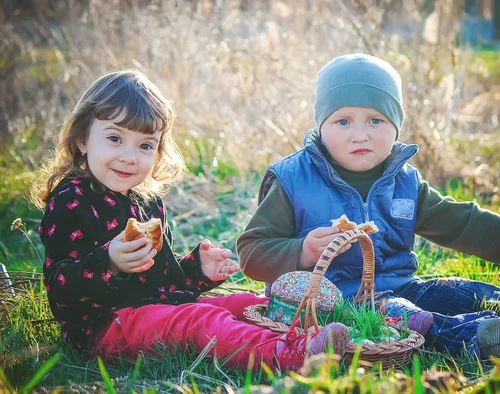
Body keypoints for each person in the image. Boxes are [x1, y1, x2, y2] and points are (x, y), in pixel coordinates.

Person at [237, 53, 500, 359]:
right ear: (321, 125)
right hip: (335, 307)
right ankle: (468, 338)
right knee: (403, 315)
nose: (360, 134)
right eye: (343, 121)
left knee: (466, 291)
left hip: (401, 285)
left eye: (375, 120)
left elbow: (462, 223)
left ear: (396, 126)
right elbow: (252, 252)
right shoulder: (293, 180)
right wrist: (302, 250)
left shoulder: (404, 181)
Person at [31, 69, 349, 372]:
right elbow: (60, 288)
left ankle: (320, 334)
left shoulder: (146, 201)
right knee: (199, 322)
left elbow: (161, 284)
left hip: (154, 311)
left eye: (144, 145)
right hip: (104, 329)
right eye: (115, 138)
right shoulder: (73, 200)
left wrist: (196, 269)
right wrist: (109, 261)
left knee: (241, 304)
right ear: (83, 139)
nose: (129, 156)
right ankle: (291, 355)